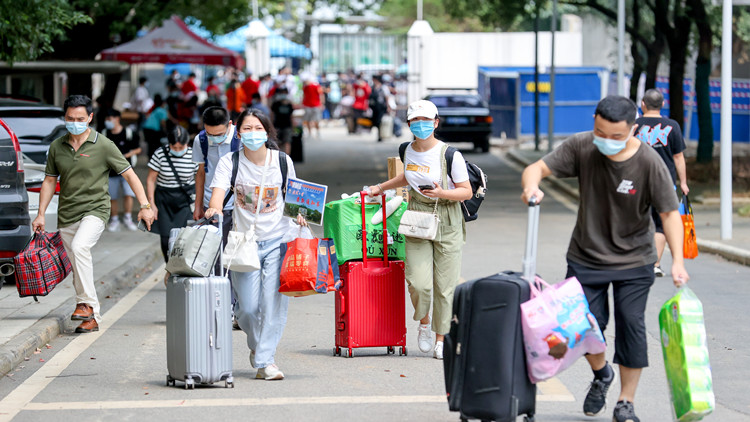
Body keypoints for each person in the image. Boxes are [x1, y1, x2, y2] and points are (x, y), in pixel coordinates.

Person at [520, 95, 690, 422]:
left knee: (632, 326)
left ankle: (626, 402)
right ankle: (602, 374)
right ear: (594, 122)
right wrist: (532, 187)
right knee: (584, 327)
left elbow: (669, 214)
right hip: (587, 256)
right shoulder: (583, 146)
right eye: (601, 132)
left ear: (632, 129)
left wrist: (678, 261)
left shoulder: (649, 162)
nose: (607, 142)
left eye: (617, 136)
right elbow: (536, 168)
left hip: (635, 260)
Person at [32, 95, 155, 333]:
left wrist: (145, 206)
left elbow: (129, 175)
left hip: (96, 210)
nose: (75, 122)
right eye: (70, 118)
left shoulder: (104, 145)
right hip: (67, 213)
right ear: (64, 117)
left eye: (80, 118)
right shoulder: (57, 146)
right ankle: (90, 313)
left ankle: (84, 305)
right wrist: (40, 214)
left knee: (79, 248)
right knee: (77, 264)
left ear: (90, 117)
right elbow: (49, 181)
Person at [204, 109, 306, 381]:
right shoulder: (230, 162)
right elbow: (217, 196)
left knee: (272, 305)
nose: (252, 134)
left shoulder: (282, 161)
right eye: (246, 129)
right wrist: (213, 210)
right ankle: (258, 346)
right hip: (243, 242)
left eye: (257, 128)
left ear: (267, 132)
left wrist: (300, 214)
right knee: (247, 308)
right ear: (238, 134)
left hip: (279, 240)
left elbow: (295, 198)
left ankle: (265, 361)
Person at [366, 100, 472, 360]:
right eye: (416, 121)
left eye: (426, 120)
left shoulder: (450, 154)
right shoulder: (406, 150)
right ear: (410, 124)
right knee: (418, 283)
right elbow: (408, 176)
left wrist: (442, 192)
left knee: (444, 286)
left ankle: (440, 337)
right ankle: (424, 322)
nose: (421, 125)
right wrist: (380, 187)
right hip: (417, 215)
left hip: (447, 215)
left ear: (436, 123)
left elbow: (466, 191)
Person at [635, 88, 689, 277]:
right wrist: (683, 183)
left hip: (637, 183)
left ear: (643, 104)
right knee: (661, 224)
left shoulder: (634, 126)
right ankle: (655, 264)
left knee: (638, 222)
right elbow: (679, 157)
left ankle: (637, 262)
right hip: (665, 184)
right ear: (663, 105)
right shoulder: (672, 126)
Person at [146, 126, 199, 264]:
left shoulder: (194, 155)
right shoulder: (160, 154)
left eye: (180, 147)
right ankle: (169, 266)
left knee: (184, 237)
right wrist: (151, 205)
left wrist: (198, 204)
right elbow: (151, 180)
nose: (177, 151)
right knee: (165, 238)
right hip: (164, 199)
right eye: (174, 148)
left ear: (187, 143)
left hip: (185, 200)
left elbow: (200, 180)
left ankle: (181, 267)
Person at [192, 107, 241, 246]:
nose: (215, 139)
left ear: (230, 124)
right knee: (215, 250)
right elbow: (201, 174)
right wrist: (198, 205)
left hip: (239, 204)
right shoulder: (200, 140)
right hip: (211, 204)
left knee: (238, 251)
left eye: (219, 134)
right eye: (210, 134)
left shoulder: (241, 138)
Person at [103, 109, 141, 232]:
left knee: (129, 194)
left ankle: (128, 218)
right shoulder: (104, 134)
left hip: (127, 170)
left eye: (110, 119)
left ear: (117, 119)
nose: (108, 122)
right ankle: (114, 219)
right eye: (106, 119)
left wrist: (127, 155)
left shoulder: (129, 133)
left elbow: (138, 149)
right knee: (112, 196)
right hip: (110, 171)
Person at [270, 87, 295, 156]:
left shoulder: (276, 104)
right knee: (284, 142)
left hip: (280, 125)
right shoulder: (287, 104)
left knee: (282, 142)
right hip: (282, 125)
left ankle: (283, 158)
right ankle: (285, 157)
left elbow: (272, 115)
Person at [369, 75, 390, 142]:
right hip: (374, 108)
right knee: (376, 122)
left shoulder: (383, 88)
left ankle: (380, 135)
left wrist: (388, 107)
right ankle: (379, 134)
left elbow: (387, 97)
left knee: (380, 121)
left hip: (381, 108)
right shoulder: (373, 88)